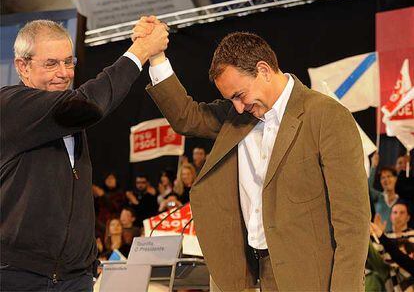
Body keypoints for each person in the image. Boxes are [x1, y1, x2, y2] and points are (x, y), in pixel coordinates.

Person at [135, 17, 371, 291]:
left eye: (240, 94)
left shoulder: (326, 115)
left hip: (310, 279)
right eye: (231, 99)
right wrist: (156, 56)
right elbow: (186, 118)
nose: (236, 107)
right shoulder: (237, 117)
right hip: (250, 277)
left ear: (264, 70)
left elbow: (352, 223)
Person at [0, 18, 168, 291]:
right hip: (20, 277)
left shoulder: (67, 116)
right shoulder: (11, 105)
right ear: (23, 66)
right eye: (51, 63)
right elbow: (88, 103)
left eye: (69, 62)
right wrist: (140, 50)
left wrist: (86, 258)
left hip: (74, 278)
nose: (63, 73)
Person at [369, 153, 400, 232]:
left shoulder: (401, 201)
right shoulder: (378, 196)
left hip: (395, 238)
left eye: (389, 176)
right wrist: (373, 166)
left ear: (395, 179)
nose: (386, 180)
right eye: (383, 178)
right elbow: (367, 189)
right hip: (379, 238)